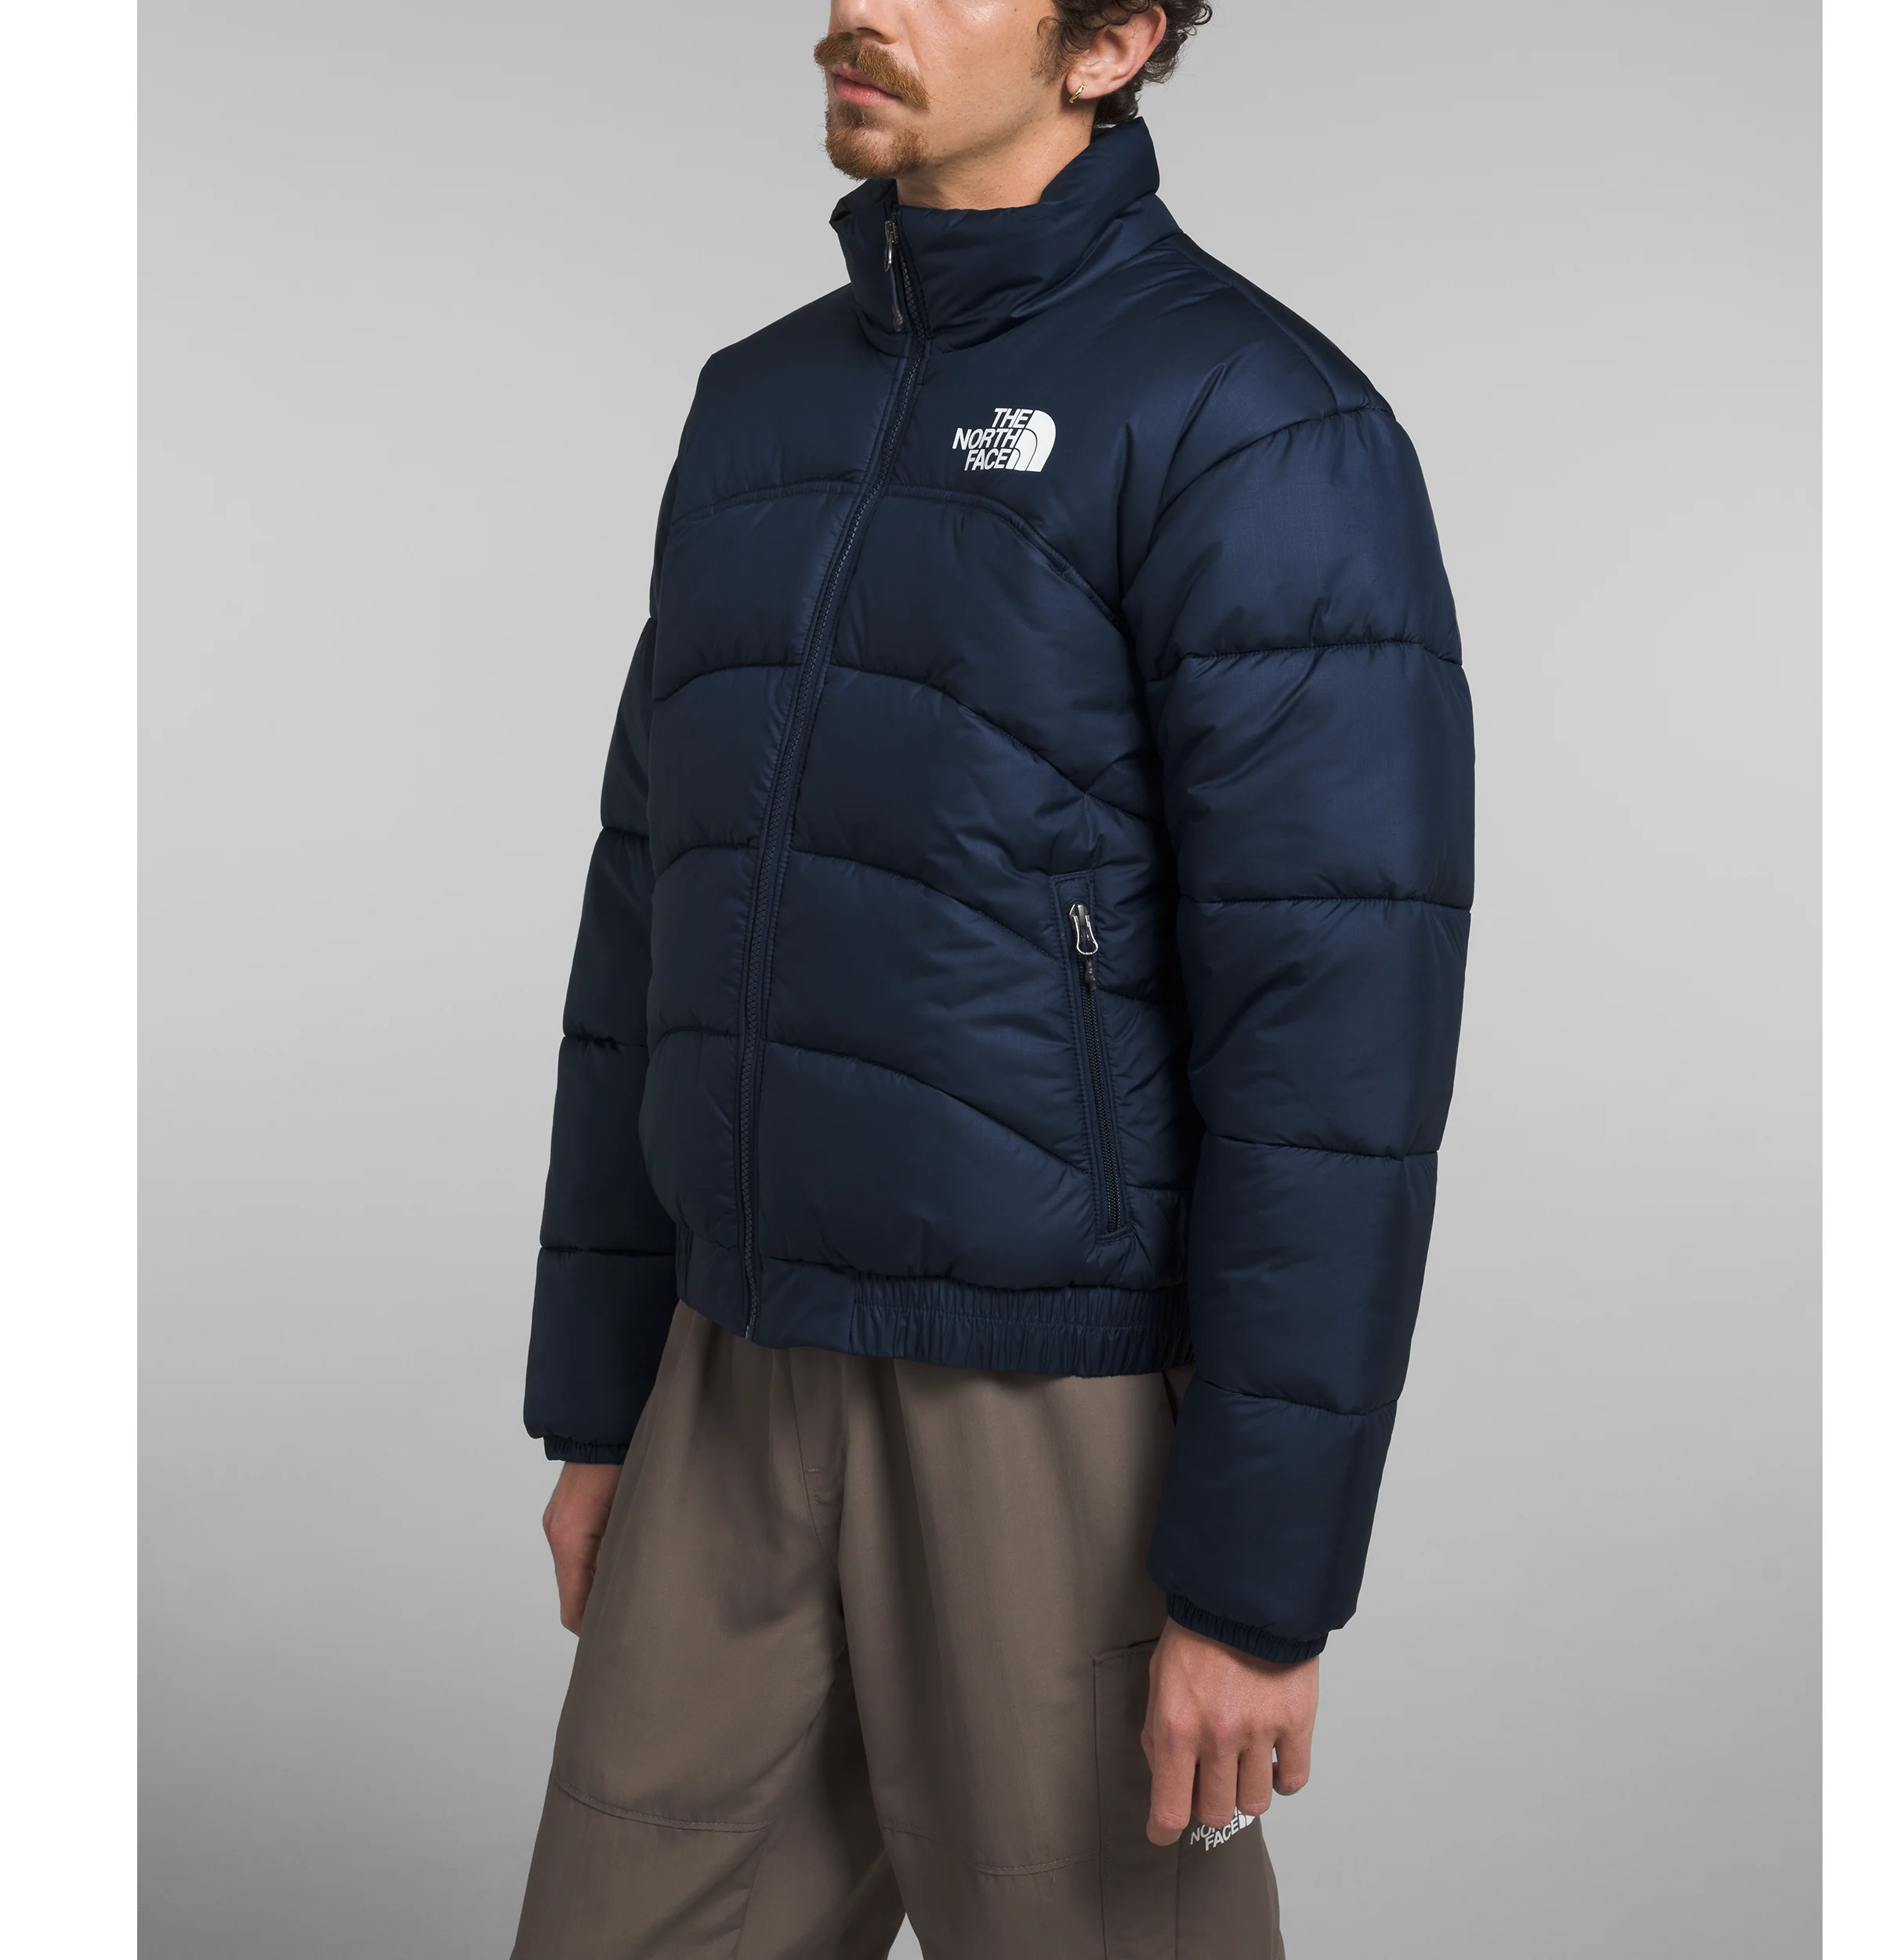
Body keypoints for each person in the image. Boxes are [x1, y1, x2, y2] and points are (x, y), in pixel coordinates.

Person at [511, 2, 1473, 1954]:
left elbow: (1334, 1048)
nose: (856, 11)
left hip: (1052, 1398)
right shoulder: (754, 407)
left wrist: (1255, 1583)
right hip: (732, 1370)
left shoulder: (1250, 418)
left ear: (1109, 41)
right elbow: (644, 911)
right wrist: (601, 1406)